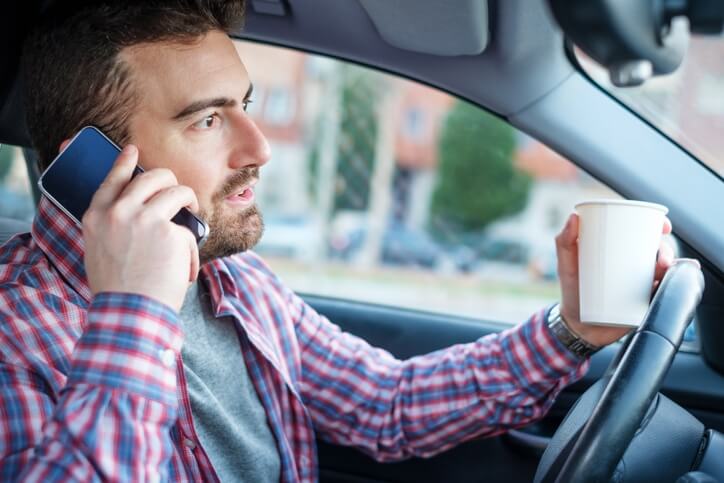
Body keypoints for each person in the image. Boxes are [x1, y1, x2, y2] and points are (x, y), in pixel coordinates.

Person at [0, 1, 674, 481]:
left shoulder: (235, 281)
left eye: (246, 104)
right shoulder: (13, 330)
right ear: (95, 165)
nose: (259, 147)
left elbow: (388, 405)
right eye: (207, 120)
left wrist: (573, 330)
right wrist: (134, 315)